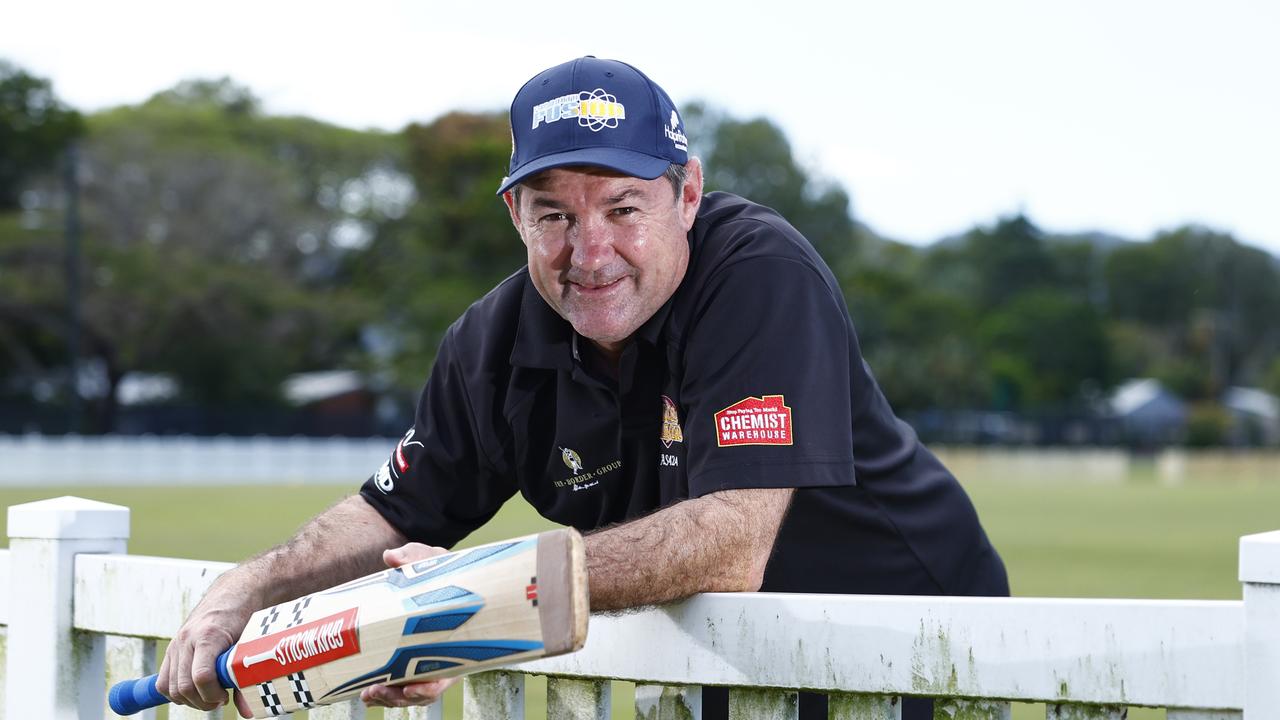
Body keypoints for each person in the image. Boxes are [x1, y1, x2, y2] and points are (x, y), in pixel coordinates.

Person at [158, 56, 1008, 720]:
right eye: (554, 213)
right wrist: (248, 589)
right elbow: (388, 513)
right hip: (716, 670)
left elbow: (729, 544)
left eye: (623, 208)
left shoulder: (759, 272)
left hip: (916, 649)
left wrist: (461, 605)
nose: (589, 250)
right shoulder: (488, 344)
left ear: (688, 195)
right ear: (515, 216)